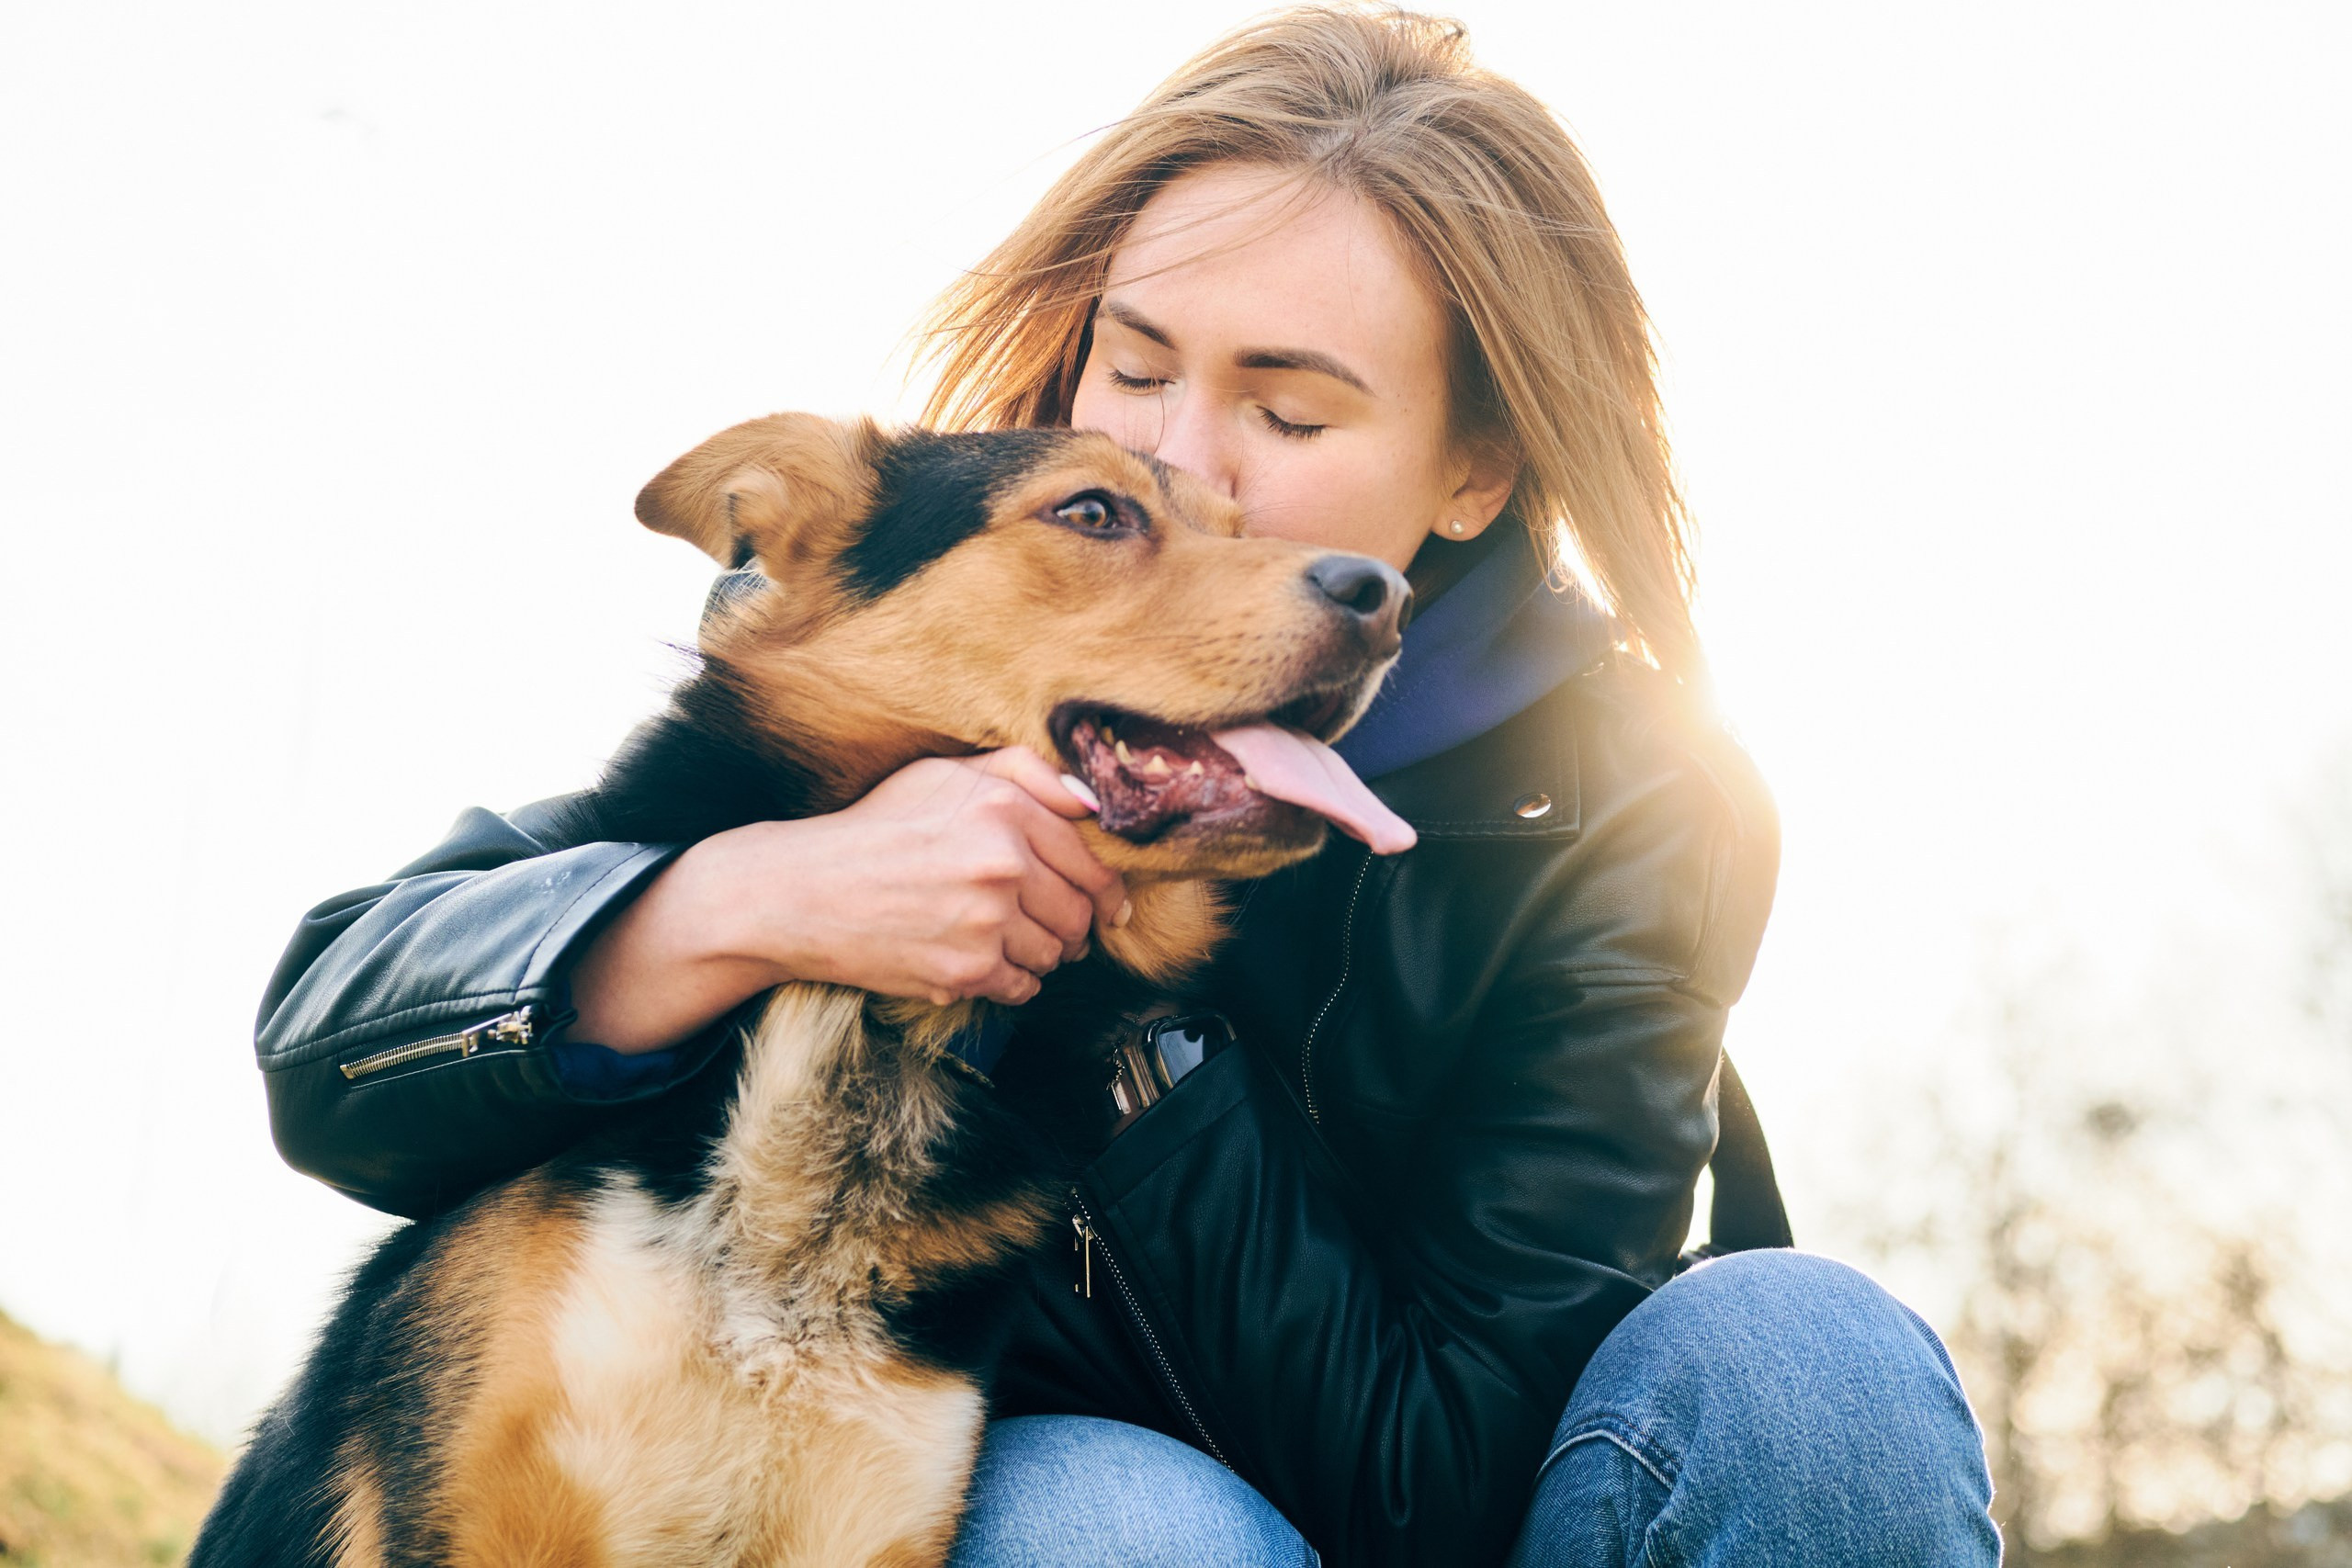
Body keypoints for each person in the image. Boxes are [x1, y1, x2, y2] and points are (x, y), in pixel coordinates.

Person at [254, 8, 2001, 1564]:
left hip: (1455, 1509)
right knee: (1107, 1515)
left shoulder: (1629, 804)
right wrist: (753, 893)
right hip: (1083, 1504)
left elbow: (1454, 1483)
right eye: (1139, 365)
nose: (1179, 458)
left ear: (1471, 470)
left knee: (1812, 1366)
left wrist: (1095, 990)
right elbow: (334, 1041)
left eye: (1291, 416)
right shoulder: (914, 615)